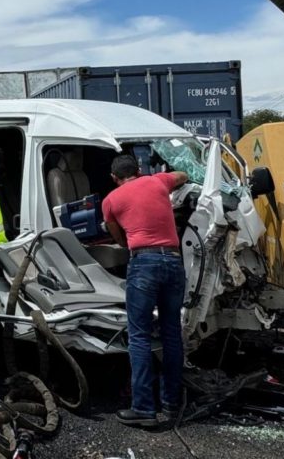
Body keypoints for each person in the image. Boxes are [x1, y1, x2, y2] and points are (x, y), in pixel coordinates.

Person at [101, 154, 189, 429]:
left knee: (138, 336)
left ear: (114, 178)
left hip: (144, 263)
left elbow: (119, 239)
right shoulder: (158, 181)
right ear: (138, 171)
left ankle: (143, 409)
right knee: (172, 332)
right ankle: (172, 402)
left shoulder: (111, 200)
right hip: (174, 261)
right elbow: (183, 175)